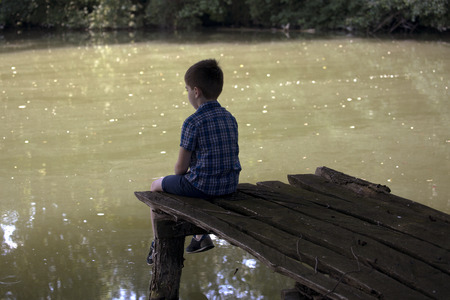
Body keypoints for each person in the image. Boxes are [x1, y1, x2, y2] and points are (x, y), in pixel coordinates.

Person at [147, 59, 241, 264]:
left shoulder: (193, 121)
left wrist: (169, 179)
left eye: (187, 89)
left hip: (204, 187)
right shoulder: (229, 117)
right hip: (229, 184)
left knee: (156, 186)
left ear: (196, 91)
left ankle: (157, 244)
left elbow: (180, 169)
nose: (187, 93)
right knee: (183, 183)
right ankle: (200, 236)